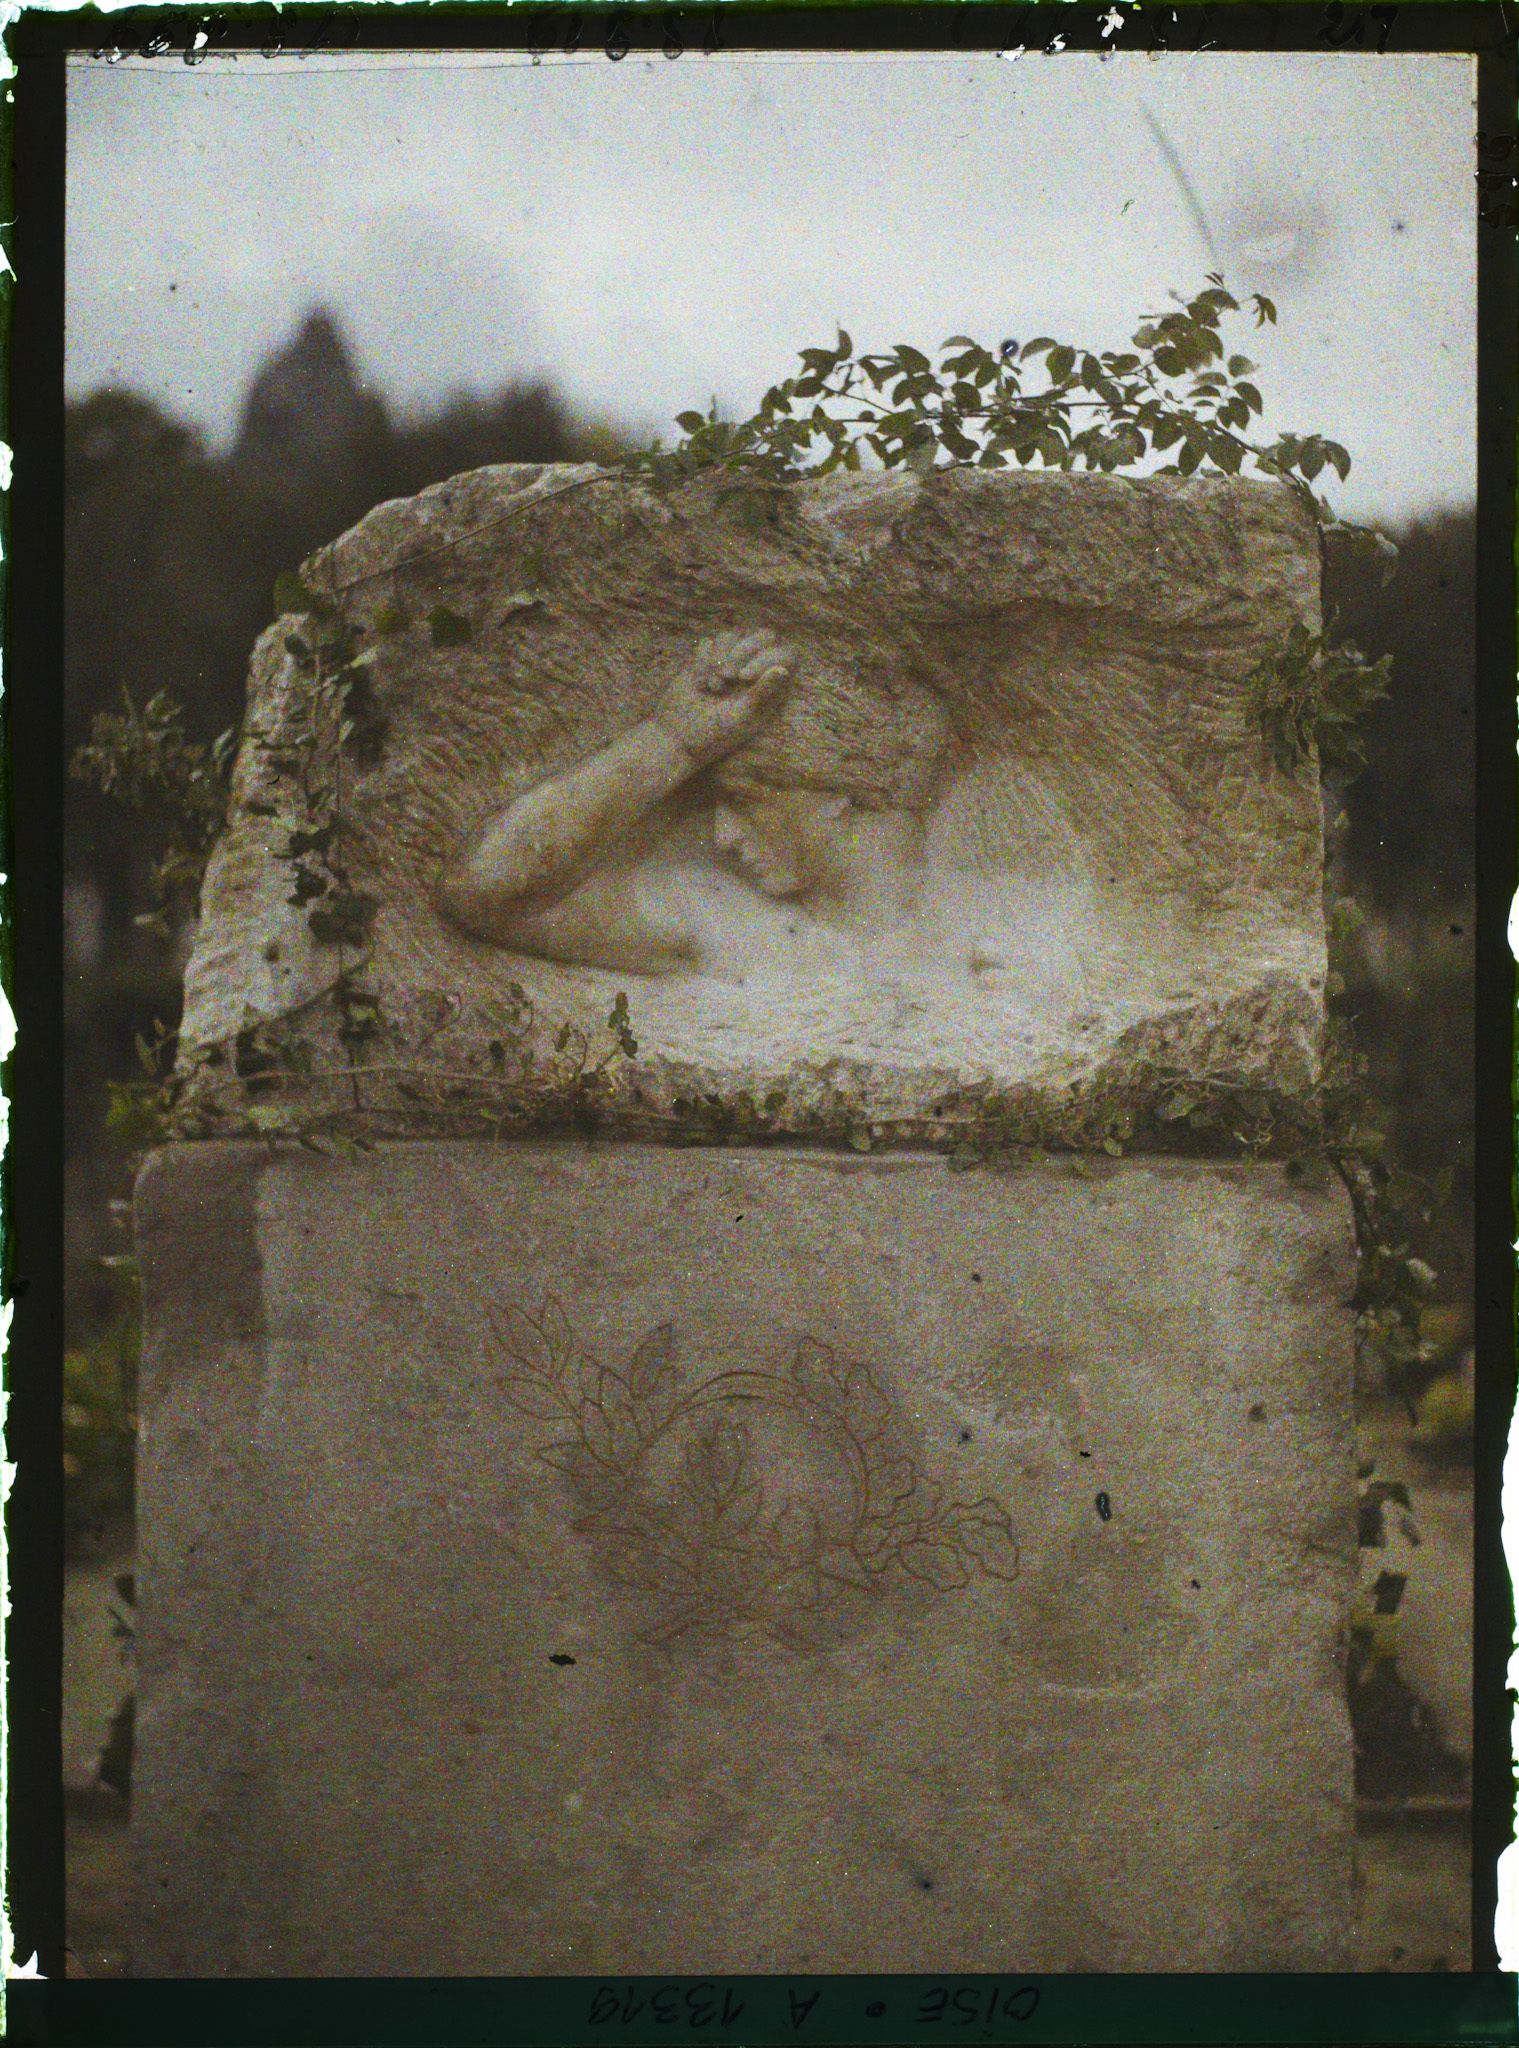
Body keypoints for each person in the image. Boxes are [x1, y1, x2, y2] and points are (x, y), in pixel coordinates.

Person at [434, 628, 954, 981]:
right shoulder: (724, 924)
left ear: (838, 792)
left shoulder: (1000, 921)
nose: (721, 835)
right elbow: (482, 892)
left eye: (744, 800)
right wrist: (672, 740)